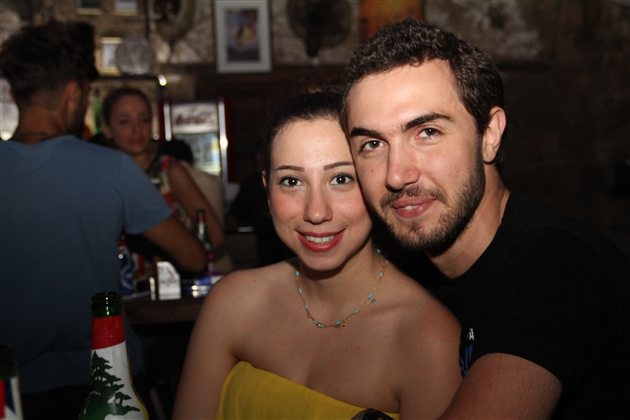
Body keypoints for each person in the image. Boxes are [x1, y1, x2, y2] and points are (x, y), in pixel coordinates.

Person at [342, 18, 630, 419]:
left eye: (427, 132)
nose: (396, 175)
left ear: (489, 134)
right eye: (373, 144)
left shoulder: (559, 264)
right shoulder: (399, 270)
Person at [172, 90, 461, 419]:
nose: (316, 212)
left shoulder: (427, 340)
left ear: (375, 182)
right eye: (291, 181)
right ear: (267, 189)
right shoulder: (232, 303)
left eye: (340, 179)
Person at [0, 20, 207, 418]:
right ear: (74, 94)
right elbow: (194, 257)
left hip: (13, 390)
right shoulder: (112, 168)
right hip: (106, 383)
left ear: (13, 93)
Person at [100, 87, 225, 267]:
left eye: (144, 120)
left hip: (171, 277)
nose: (137, 129)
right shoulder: (104, 175)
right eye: (125, 122)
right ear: (107, 128)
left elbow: (215, 236)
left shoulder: (169, 170)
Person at [161, 138, 234, 273]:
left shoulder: (170, 180)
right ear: (192, 159)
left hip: (198, 265)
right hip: (223, 261)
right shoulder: (214, 180)